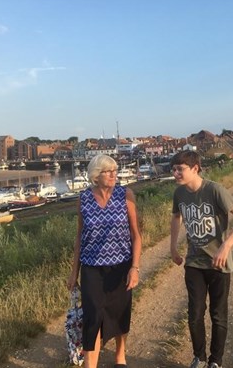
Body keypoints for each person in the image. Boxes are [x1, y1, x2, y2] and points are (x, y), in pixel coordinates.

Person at [170, 150, 233, 368]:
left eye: (180, 169)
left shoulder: (215, 190)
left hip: (219, 264)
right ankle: (199, 357)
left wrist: (226, 245)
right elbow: (176, 217)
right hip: (194, 263)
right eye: (174, 169)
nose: (176, 173)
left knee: (218, 314)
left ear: (195, 168)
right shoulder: (179, 194)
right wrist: (173, 247)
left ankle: (216, 361)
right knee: (195, 313)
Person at [67, 154, 142, 368]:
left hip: (121, 265)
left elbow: (136, 235)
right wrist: (74, 272)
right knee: (92, 317)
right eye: (107, 171)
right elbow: (80, 236)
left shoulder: (125, 194)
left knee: (119, 311)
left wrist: (134, 268)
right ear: (95, 176)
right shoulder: (83, 198)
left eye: (114, 170)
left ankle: (120, 355)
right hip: (91, 267)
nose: (113, 174)